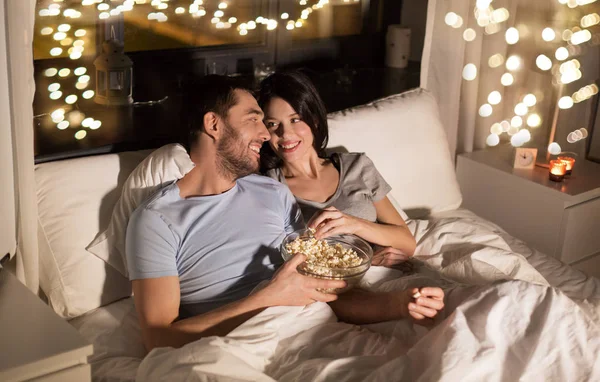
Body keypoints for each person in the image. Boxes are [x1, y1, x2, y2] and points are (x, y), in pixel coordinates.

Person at [126, 75, 442, 352]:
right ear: (213, 125)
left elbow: (319, 289)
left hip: (319, 332)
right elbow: (158, 339)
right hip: (232, 347)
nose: (266, 135)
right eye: (254, 119)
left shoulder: (273, 194)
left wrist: (400, 303)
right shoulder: (156, 220)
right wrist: (269, 296)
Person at [259, 70, 444, 325]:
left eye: (296, 119)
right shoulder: (269, 186)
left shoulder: (357, 166)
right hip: (337, 294)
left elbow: (406, 242)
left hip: (387, 276)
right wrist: (365, 263)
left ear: (313, 117)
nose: (285, 134)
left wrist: (353, 224)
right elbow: (285, 261)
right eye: (272, 124)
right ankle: (402, 305)